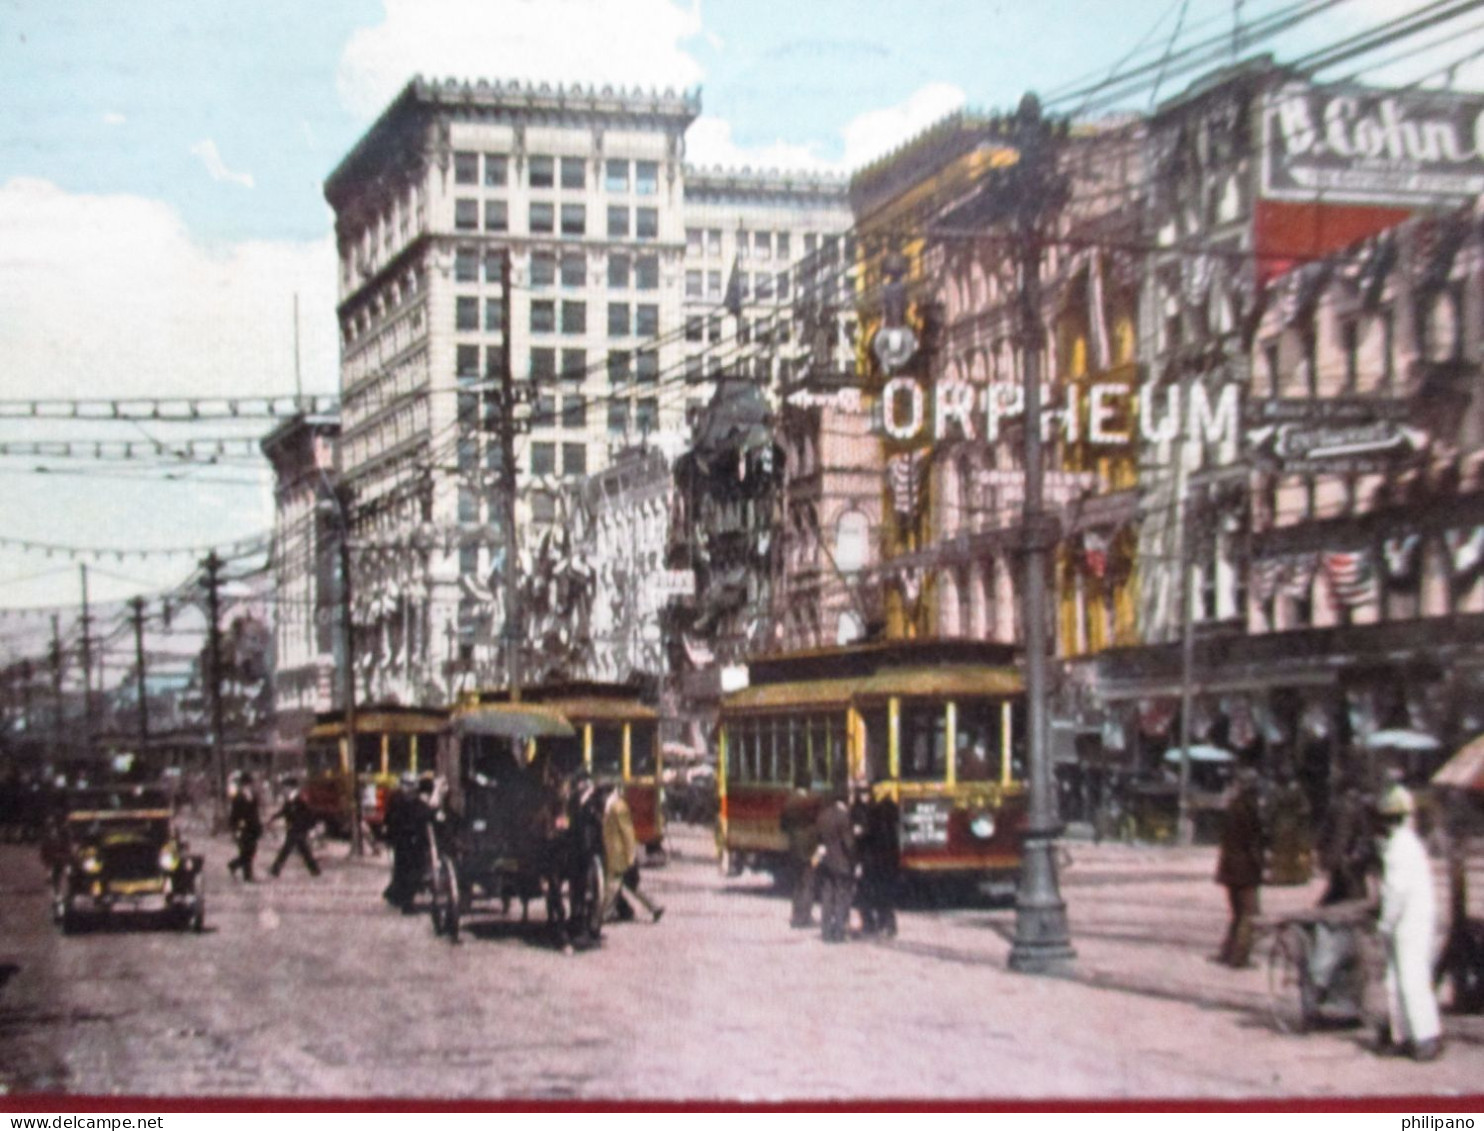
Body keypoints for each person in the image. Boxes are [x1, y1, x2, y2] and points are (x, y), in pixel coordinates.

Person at [1375, 784, 1443, 1061]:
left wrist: (1385, 924)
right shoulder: (1411, 844)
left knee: (1410, 980)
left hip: (1408, 924)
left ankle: (1424, 1037)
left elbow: (1395, 893)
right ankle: (1402, 1033)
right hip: (1418, 920)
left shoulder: (1398, 848)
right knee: (1399, 980)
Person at [1214, 768, 1265, 968]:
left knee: (1237, 914)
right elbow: (1252, 841)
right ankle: (1239, 957)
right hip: (1245, 869)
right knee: (1250, 913)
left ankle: (1227, 952)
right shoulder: (1248, 808)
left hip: (1229, 868)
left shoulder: (1232, 807)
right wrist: (1261, 865)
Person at [600, 784, 663, 924]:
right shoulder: (612, 805)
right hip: (617, 854)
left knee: (612, 886)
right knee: (632, 885)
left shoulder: (618, 807)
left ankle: (604, 915)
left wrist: (631, 856)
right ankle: (654, 907)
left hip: (620, 854)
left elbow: (628, 833)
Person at [814, 784, 856, 944]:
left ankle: (825, 931)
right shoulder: (843, 817)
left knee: (827, 896)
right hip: (841, 863)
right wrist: (854, 860)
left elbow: (818, 840)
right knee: (841, 897)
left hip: (826, 862)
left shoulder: (822, 816)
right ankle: (839, 931)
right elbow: (848, 843)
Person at [855, 785, 900, 938]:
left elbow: (866, 838)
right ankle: (888, 924)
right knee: (885, 895)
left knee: (868, 894)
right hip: (888, 860)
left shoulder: (873, 813)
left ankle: (872, 924)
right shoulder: (892, 813)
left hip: (872, 860)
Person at [382, 773, 428, 912]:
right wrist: (389, 836)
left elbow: (424, 812)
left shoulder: (414, 801)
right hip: (403, 840)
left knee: (404, 870)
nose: (410, 788)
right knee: (406, 871)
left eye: (412, 785)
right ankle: (406, 902)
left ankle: (395, 895)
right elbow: (389, 819)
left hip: (412, 840)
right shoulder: (397, 799)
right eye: (407, 785)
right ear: (402, 785)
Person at [779, 772, 817, 929]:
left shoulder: (788, 802)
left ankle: (796, 915)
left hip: (793, 846)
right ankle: (805, 916)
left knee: (796, 883)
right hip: (809, 847)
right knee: (808, 882)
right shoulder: (812, 801)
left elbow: (783, 826)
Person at [267, 777, 321, 878]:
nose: (284, 790)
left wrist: (311, 826)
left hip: (298, 829)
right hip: (293, 828)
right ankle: (315, 870)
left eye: (285, 788)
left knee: (288, 850)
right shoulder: (290, 799)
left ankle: (275, 869)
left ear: (291, 788)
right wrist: (273, 818)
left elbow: (309, 813)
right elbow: (284, 811)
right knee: (302, 850)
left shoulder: (300, 799)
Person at [226, 771, 263, 882]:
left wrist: (259, 826)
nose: (248, 786)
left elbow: (255, 812)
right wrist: (234, 828)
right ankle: (248, 876)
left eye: (249, 784)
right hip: (243, 828)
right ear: (242, 785)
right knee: (247, 851)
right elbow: (234, 814)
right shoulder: (237, 797)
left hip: (254, 827)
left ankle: (233, 865)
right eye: (246, 784)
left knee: (251, 851)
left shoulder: (253, 795)